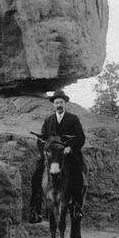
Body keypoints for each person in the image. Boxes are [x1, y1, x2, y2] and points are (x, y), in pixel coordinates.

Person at [29, 89, 86, 223]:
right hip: (52, 155)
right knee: (36, 174)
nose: (59, 105)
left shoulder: (73, 119)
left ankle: (77, 205)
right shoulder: (49, 120)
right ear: (53, 105)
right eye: (56, 103)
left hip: (68, 154)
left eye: (61, 102)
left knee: (77, 172)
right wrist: (45, 150)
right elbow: (41, 139)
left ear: (65, 103)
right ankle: (35, 208)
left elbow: (81, 138)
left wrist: (70, 148)